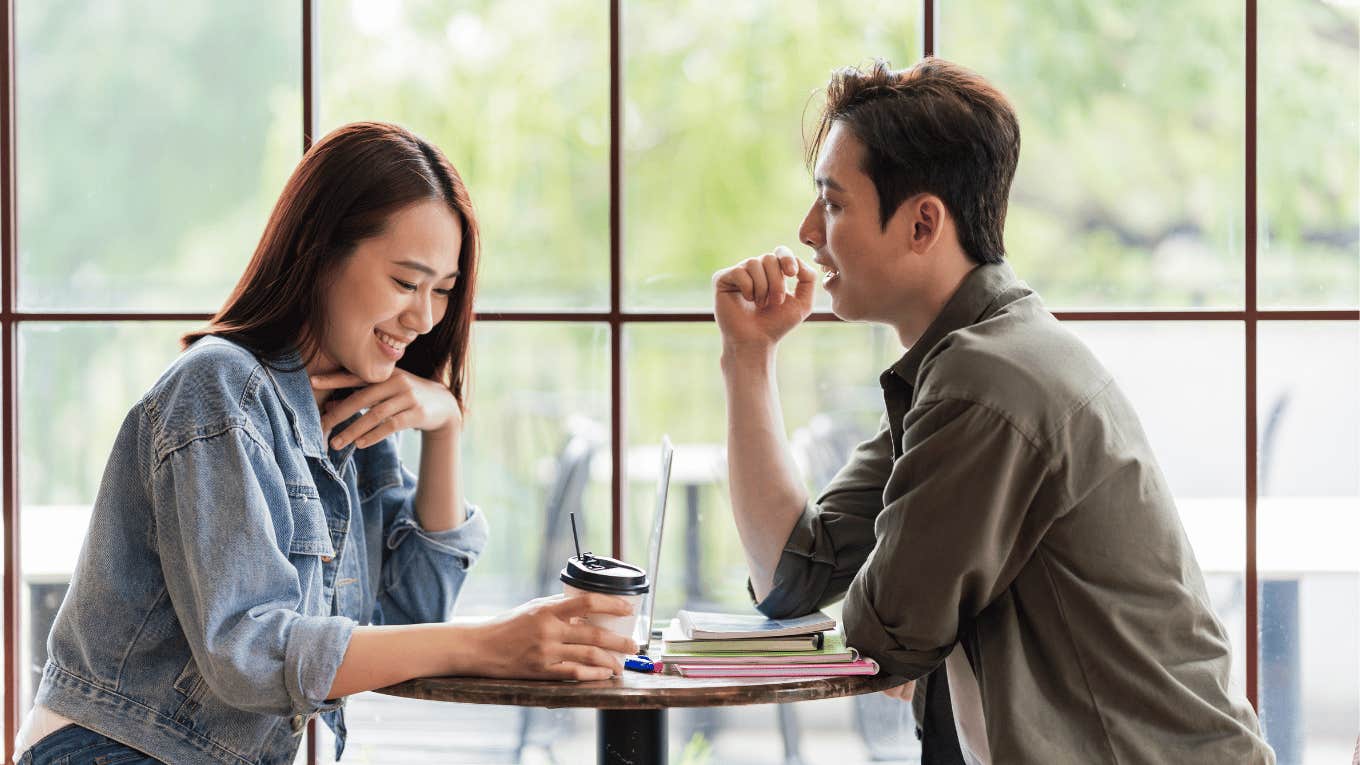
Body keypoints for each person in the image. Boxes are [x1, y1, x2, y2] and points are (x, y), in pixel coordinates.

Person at [19, 122, 636, 765]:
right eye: (405, 282)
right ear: (320, 254)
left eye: (443, 292)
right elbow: (250, 655)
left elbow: (408, 616)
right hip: (115, 750)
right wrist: (487, 642)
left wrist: (446, 426)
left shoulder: (354, 408)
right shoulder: (220, 388)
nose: (425, 318)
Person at [712, 58, 1274, 764]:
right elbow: (794, 581)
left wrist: (906, 630)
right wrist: (748, 356)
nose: (806, 231)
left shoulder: (988, 381)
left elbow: (881, 638)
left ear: (922, 224)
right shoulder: (966, 363)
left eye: (833, 203)